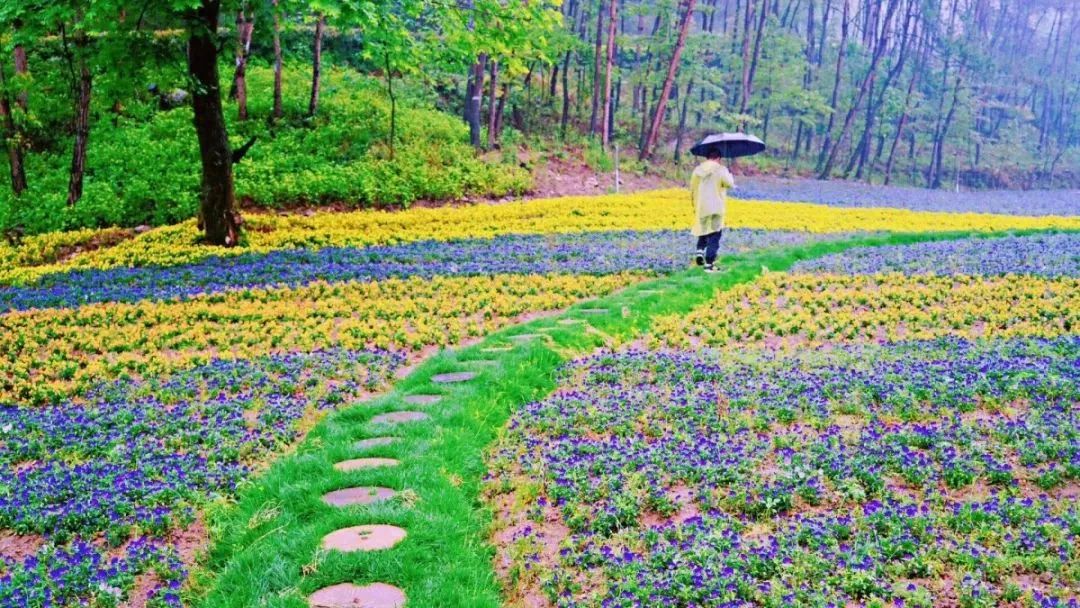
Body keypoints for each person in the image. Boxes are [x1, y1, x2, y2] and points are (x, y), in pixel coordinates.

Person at [690, 151, 735, 273]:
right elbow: (729, 184)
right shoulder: (721, 169)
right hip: (716, 206)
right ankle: (709, 265)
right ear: (719, 158)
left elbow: (692, 187)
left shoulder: (698, 170)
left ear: (707, 157)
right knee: (715, 234)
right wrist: (729, 174)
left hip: (701, 205)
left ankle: (700, 250)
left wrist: (694, 203)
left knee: (703, 228)